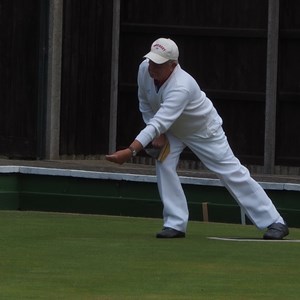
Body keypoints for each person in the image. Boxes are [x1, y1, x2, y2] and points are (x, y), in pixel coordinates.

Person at [106, 37, 289, 240]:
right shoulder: (144, 69)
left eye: (158, 64)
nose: (152, 67)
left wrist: (131, 151)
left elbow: (158, 122)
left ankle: (275, 222)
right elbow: (145, 103)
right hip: (172, 129)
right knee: (164, 163)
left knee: (231, 171)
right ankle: (175, 224)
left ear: (173, 65)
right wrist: (159, 134)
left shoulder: (182, 86)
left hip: (203, 130)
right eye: (151, 61)